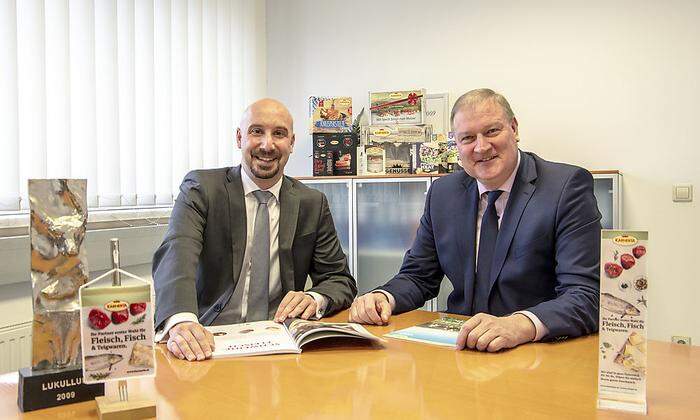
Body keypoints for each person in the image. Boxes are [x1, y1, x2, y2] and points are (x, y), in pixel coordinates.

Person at [349, 88, 601, 352]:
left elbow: (585, 294)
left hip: (534, 350)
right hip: (462, 348)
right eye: (468, 138)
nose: (481, 147)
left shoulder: (565, 188)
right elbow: (418, 275)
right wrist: (382, 297)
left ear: (514, 129)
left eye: (492, 131)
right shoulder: (443, 194)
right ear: (455, 144)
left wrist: (519, 325)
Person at [153, 98, 357, 361]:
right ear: (240, 138)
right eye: (256, 131)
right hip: (210, 340)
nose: (267, 144)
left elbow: (339, 279)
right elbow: (176, 255)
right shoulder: (203, 189)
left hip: (281, 343)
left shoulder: (312, 203)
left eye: (279, 134)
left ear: (292, 143)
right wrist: (181, 321)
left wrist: (315, 298)